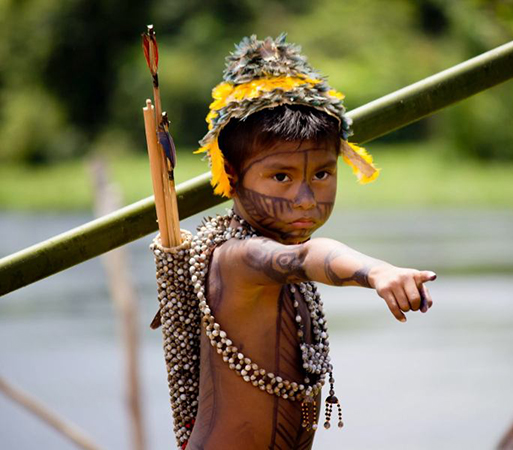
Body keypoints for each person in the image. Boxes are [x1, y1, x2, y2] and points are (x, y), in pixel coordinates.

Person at [151, 34, 437, 450]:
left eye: (321, 174)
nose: (305, 199)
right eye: (281, 177)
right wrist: (377, 272)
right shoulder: (237, 258)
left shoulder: (272, 249)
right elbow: (307, 256)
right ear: (231, 176)